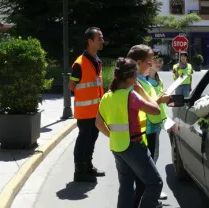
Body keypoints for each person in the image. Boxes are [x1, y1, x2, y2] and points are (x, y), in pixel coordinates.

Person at [95, 57, 163, 208]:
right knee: (155, 183)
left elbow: (98, 124)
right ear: (133, 77)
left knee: (126, 187)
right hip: (134, 146)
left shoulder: (107, 97)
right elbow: (156, 111)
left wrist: (114, 136)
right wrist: (142, 91)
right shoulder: (131, 96)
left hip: (117, 147)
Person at [127, 44, 171, 208]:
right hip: (143, 133)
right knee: (146, 176)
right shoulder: (133, 81)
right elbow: (142, 105)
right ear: (138, 62)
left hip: (151, 129)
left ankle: (145, 201)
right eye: (149, 61)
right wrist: (159, 100)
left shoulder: (143, 79)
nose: (152, 64)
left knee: (145, 174)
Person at [69, 27, 105, 183]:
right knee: (84, 139)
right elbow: (72, 86)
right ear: (90, 41)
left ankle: (88, 167)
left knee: (92, 139)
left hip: (96, 111)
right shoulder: (79, 64)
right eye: (99, 38)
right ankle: (79, 171)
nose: (102, 41)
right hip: (84, 111)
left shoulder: (97, 61)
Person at [147, 49, 168, 200]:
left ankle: (150, 189)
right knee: (151, 158)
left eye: (160, 61)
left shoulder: (158, 79)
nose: (158, 63)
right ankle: (152, 190)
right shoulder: (145, 82)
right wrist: (160, 99)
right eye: (156, 60)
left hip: (157, 124)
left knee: (154, 155)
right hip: (148, 125)